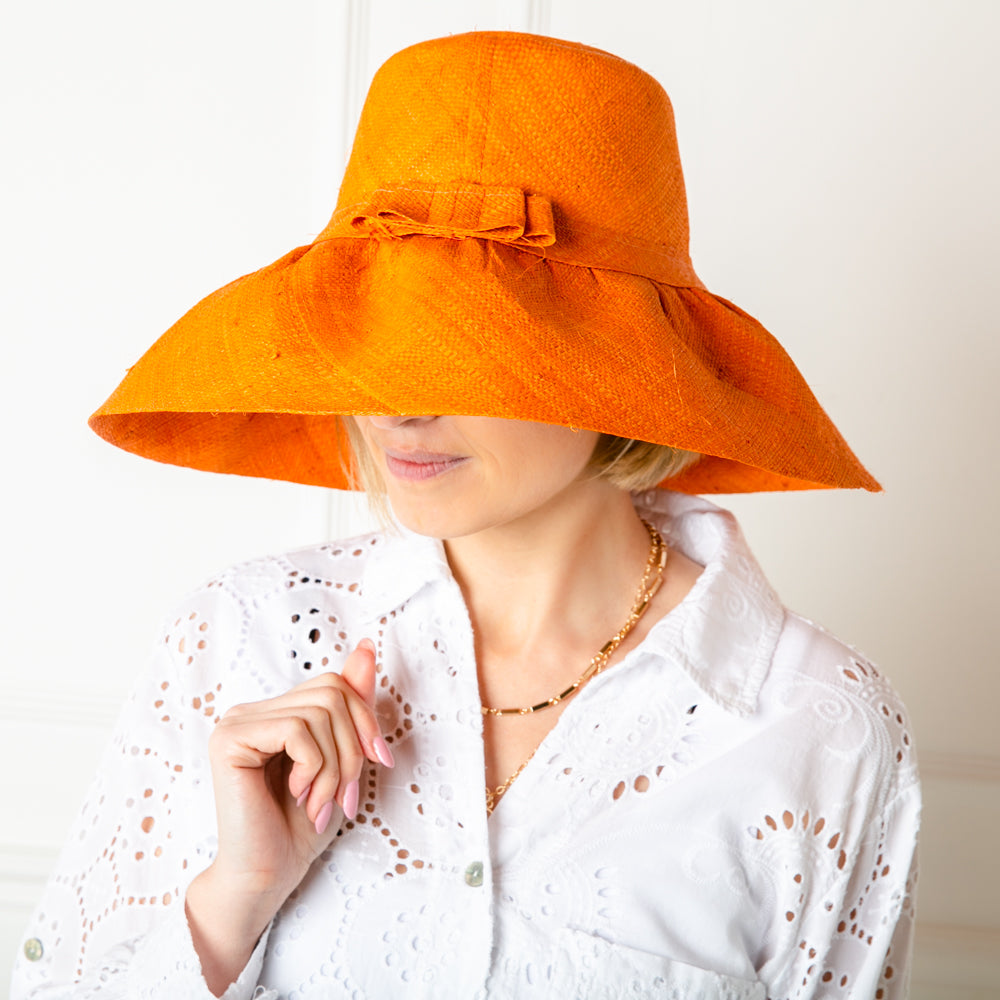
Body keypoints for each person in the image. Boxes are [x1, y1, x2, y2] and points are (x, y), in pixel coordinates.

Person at [12, 30, 919, 1000]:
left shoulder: (815, 732)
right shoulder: (240, 639)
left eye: (464, 353)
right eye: (381, 345)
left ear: (621, 369)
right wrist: (232, 902)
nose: (399, 405)